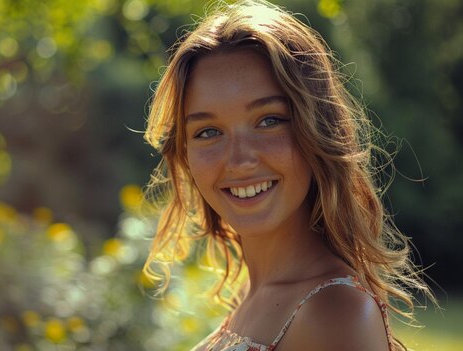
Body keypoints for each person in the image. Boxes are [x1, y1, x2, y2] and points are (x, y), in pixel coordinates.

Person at [142, 1, 435, 350]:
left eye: (269, 120)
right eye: (208, 132)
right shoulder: (249, 295)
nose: (239, 160)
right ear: (185, 154)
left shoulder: (336, 313)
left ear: (318, 132)